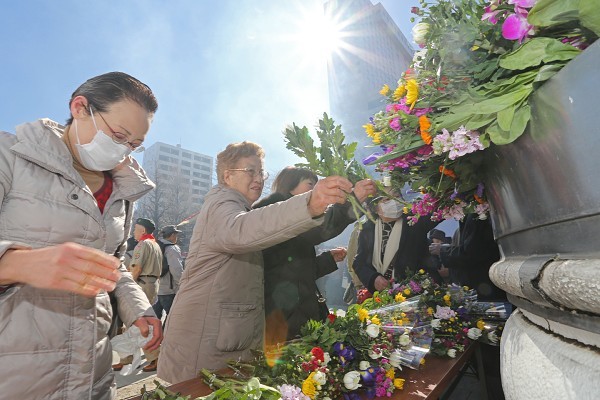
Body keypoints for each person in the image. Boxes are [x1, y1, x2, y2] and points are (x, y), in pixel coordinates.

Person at [0, 72, 162, 399]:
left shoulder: (121, 192)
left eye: (133, 145)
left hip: (92, 367)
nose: (123, 150)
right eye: (118, 135)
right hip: (16, 370)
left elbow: (113, 265)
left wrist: (139, 309)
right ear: (80, 108)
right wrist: (16, 264)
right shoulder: (11, 155)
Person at [158, 141, 354, 383]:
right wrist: (310, 204)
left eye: (261, 172)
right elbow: (238, 230)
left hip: (228, 339)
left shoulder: (241, 208)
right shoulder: (221, 203)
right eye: (250, 171)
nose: (258, 178)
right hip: (205, 343)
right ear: (227, 176)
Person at [253, 166, 376, 342]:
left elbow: (294, 269)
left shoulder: (290, 214)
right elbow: (320, 229)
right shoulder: (275, 207)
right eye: (310, 184)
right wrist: (353, 201)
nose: (316, 190)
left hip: (297, 312)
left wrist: (328, 259)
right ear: (290, 185)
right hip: (285, 315)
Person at [353, 194, 434, 294]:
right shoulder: (367, 229)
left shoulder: (414, 220)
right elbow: (359, 263)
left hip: (418, 292)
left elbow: (438, 209)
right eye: (387, 199)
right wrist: (373, 278)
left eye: (396, 196)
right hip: (384, 295)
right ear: (375, 208)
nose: (394, 202)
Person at [127, 217, 163, 372]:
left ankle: (155, 357)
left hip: (141, 284)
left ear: (142, 231)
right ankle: (126, 358)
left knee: (141, 324)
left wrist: (129, 286)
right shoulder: (155, 244)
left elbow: (136, 268)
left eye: (135, 228)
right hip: (152, 284)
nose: (133, 232)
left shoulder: (142, 244)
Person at [153, 224, 184, 320]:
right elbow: (176, 269)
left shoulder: (154, 246)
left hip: (155, 289)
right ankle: (166, 335)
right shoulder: (172, 249)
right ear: (172, 235)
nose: (176, 237)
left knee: (155, 319)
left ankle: (155, 335)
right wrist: (182, 284)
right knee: (173, 318)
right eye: (176, 235)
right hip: (169, 290)